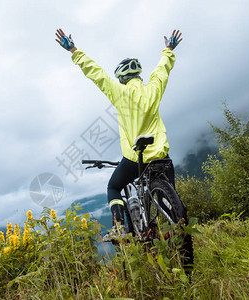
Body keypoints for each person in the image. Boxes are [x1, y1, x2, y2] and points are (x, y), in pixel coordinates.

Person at [55, 28, 182, 241]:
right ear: (139, 75)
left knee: (113, 187)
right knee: (170, 202)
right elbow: (163, 69)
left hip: (135, 158)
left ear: (122, 78)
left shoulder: (119, 92)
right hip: (161, 156)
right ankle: (178, 224)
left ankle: (120, 227)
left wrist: (74, 50)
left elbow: (96, 73)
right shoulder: (153, 89)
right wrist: (169, 48)